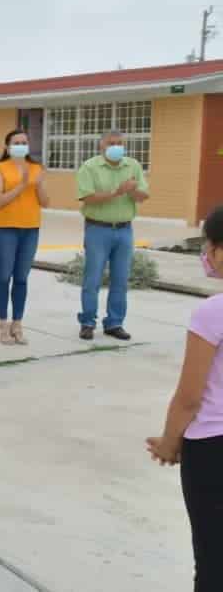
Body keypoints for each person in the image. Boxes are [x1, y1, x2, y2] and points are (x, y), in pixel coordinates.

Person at [146, 204, 223, 591]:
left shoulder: (212, 314)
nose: (205, 254)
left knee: (213, 561)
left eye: (209, 244)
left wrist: (168, 442)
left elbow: (190, 397)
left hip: (212, 450)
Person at [76, 130, 150, 341]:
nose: (116, 147)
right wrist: (117, 192)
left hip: (125, 230)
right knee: (93, 279)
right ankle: (88, 322)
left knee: (120, 280)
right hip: (97, 229)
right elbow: (87, 198)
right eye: (111, 143)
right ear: (101, 146)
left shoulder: (133, 166)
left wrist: (132, 191)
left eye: (119, 143)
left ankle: (115, 323)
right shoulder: (90, 167)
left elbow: (143, 196)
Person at [0, 129, 50, 345]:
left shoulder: (36, 169)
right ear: (7, 147)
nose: (21, 145)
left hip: (30, 228)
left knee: (22, 278)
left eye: (24, 142)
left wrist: (38, 184)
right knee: (4, 276)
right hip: (6, 228)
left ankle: (17, 323)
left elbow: (45, 202)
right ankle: (3, 324)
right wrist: (22, 186)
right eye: (16, 142)